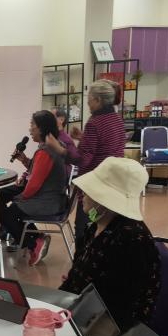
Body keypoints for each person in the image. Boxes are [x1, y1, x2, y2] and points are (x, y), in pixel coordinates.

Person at [59, 157, 160, 332]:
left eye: (90, 190)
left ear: (105, 200)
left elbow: (124, 309)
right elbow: (76, 277)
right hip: (80, 315)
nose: (83, 195)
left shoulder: (132, 240)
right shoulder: (96, 226)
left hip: (110, 331)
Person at [46, 80, 125, 248]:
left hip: (95, 185)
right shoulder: (116, 119)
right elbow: (107, 145)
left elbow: (83, 159)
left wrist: (58, 149)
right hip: (112, 181)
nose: (87, 102)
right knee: (105, 226)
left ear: (98, 100)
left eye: (89, 98)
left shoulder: (95, 122)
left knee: (84, 228)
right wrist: (83, 138)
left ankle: (80, 268)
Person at [0, 110, 69, 266]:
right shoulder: (52, 146)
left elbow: (34, 185)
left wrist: (18, 198)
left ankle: (34, 244)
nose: (30, 129)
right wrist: (24, 159)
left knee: (6, 214)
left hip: (46, 200)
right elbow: (39, 171)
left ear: (42, 128)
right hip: (51, 196)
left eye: (33, 125)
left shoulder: (46, 151)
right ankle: (37, 236)